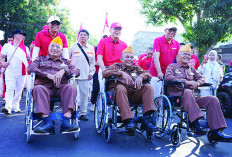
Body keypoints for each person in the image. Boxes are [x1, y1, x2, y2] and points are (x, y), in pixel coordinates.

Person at [165, 44, 232, 141]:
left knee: (212, 99)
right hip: (177, 98)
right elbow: (168, 77)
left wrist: (197, 83)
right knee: (187, 91)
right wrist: (186, 82)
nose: (187, 56)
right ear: (178, 55)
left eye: (189, 55)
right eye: (185, 54)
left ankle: (216, 132)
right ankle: (195, 123)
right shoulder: (172, 66)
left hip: (191, 99)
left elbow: (202, 78)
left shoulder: (191, 69)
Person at [27, 36, 80, 134]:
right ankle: (48, 123)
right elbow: (30, 69)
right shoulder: (40, 59)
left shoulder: (65, 61)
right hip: (44, 87)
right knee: (38, 88)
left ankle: (66, 122)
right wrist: (48, 75)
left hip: (61, 88)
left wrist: (63, 70)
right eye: (53, 46)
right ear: (48, 48)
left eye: (58, 47)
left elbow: (76, 71)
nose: (55, 49)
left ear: (61, 51)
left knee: (71, 87)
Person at [102, 46, 157, 133]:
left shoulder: (136, 68)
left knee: (148, 87)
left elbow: (148, 74)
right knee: (120, 87)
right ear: (121, 59)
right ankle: (128, 120)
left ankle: (146, 120)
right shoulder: (115, 66)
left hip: (134, 95)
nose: (129, 59)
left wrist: (141, 76)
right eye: (127, 57)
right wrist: (120, 73)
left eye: (131, 57)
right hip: (119, 96)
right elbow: (104, 73)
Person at [0, 30, 30, 114]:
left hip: (22, 73)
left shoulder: (25, 48)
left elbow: (28, 58)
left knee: (19, 91)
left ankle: (16, 106)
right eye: (21, 34)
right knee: (9, 89)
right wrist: (3, 63)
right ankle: (8, 107)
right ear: (15, 36)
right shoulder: (7, 46)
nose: (22, 36)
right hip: (10, 72)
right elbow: (1, 57)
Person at [70, 29, 95, 121]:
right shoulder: (73, 47)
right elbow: (66, 59)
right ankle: (71, 111)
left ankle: (83, 113)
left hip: (85, 75)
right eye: (81, 35)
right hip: (73, 76)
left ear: (88, 37)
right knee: (71, 94)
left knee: (84, 95)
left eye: (85, 35)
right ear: (78, 36)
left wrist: (91, 73)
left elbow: (92, 62)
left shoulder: (91, 48)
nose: (83, 36)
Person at [150, 26, 180, 99]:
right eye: (170, 30)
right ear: (165, 30)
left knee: (168, 96)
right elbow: (156, 57)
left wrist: (179, 72)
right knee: (155, 96)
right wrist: (159, 72)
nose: (172, 32)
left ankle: (166, 109)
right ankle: (155, 109)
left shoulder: (176, 43)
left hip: (169, 73)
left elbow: (178, 59)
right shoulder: (158, 40)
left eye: (174, 30)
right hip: (156, 72)